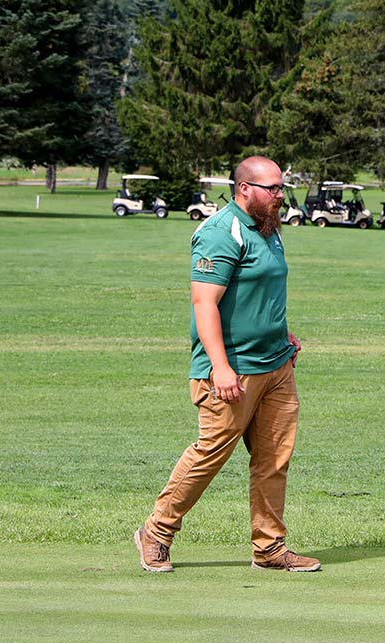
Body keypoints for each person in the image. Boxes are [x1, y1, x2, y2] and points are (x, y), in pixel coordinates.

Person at [134, 155, 320, 573]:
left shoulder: (268, 228)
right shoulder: (221, 232)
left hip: (276, 365)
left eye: (280, 188)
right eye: (271, 189)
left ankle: (270, 548)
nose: (279, 195)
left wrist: (282, 332)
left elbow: (263, 288)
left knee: (273, 459)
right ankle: (156, 532)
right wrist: (220, 367)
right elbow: (205, 304)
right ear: (244, 189)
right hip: (232, 370)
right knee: (209, 454)